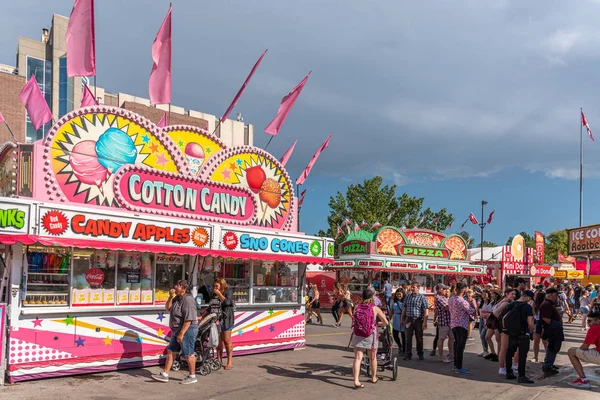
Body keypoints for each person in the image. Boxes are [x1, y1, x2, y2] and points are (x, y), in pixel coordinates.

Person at [152, 280, 199, 384]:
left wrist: (182, 333)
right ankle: (165, 375)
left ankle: (192, 376)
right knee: (171, 351)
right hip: (176, 330)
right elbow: (168, 308)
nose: (175, 286)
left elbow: (188, 320)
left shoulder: (188, 300)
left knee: (188, 353)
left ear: (183, 289)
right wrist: (170, 297)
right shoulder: (177, 298)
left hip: (187, 330)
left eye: (178, 285)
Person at [351, 287, 388, 389]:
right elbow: (386, 322)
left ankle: (356, 380)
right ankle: (374, 377)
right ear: (372, 297)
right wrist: (377, 323)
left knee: (357, 358)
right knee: (373, 357)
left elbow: (354, 319)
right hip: (370, 335)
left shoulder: (357, 307)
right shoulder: (375, 308)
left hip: (358, 333)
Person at [503, 290, 535, 384]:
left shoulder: (512, 304)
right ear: (528, 297)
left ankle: (509, 373)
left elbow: (502, 316)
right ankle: (521, 376)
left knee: (509, 353)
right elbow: (530, 323)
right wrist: (531, 330)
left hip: (512, 333)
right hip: (523, 334)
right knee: (522, 355)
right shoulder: (527, 307)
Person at [567, 311, 600, 389]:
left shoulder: (594, 329)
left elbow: (584, 347)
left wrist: (579, 352)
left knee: (571, 351)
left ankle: (583, 380)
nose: (588, 323)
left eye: (590, 321)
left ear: (598, 321)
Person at [449, 282, 474, 374]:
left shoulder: (451, 299)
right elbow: (472, 311)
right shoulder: (462, 301)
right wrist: (470, 302)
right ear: (464, 290)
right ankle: (459, 367)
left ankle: (456, 365)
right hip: (461, 325)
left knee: (456, 345)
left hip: (453, 324)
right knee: (460, 346)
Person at [401, 281, 429, 360]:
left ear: (418, 288)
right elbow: (404, 308)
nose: (412, 289)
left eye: (414, 287)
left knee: (419, 338)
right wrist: (402, 318)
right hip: (409, 319)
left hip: (418, 320)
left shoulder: (422, 297)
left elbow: (426, 310)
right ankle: (408, 354)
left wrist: (425, 322)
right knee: (408, 337)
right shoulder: (408, 297)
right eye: (411, 287)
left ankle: (420, 353)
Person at [540, 287, 565, 376]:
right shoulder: (546, 304)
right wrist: (556, 324)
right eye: (556, 295)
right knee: (552, 347)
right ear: (550, 295)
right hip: (552, 329)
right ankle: (548, 365)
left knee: (554, 347)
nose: (557, 297)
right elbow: (545, 318)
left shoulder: (550, 304)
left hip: (554, 329)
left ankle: (549, 364)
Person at [212, 278, 235, 370]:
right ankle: (219, 360)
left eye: (216, 286)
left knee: (226, 340)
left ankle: (229, 362)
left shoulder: (228, 292)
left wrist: (219, 294)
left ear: (221, 285)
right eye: (214, 286)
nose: (215, 288)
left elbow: (227, 302)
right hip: (217, 319)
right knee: (218, 341)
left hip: (226, 319)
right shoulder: (214, 294)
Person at [494, 288, 517, 374]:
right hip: (504, 328)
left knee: (505, 348)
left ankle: (505, 367)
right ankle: (502, 368)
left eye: (514, 294)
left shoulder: (506, 302)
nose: (514, 296)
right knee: (504, 348)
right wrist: (504, 321)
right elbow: (496, 313)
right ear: (506, 294)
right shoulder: (505, 303)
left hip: (504, 327)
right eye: (512, 294)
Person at [434, 284, 454, 363]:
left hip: (449, 321)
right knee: (441, 338)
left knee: (452, 338)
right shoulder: (439, 298)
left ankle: (452, 354)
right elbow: (448, 308)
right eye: (444, 289)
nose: (446, 291)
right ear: (439, 290)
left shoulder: (444, 298)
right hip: (443, 321)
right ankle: (441, 356)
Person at [483, 290, 502, 362]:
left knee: (498, 339)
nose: (491, 295)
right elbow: (488, 310)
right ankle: (493, 352)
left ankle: (499, 355)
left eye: (493, 294)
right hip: (491, 321)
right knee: (487, 337)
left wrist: (488, 314)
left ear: (496, 295)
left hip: (496, 321)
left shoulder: (499, 302)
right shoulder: (492, 302)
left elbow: (496, 312)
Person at [531, 290, 547, 363]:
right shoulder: (535, 304)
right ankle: (536, 357)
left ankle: (544, 357)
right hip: (538, 322)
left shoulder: (545, 304)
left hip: (541, 322)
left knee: (542, 341)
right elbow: (533, 315)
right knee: (538, 341)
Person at [389, 288, 406, 355]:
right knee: (395, 334)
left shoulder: (405, 301)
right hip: (395, 318)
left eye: (400, 294)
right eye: (397, 294)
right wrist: (389, 319)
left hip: (403, 318)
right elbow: (392, 311)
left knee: (403, 335)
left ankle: (404, 350)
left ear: (403, 294)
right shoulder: (393, 301)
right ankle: (400, 346)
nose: (398, 295)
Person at [478, 291, 491, 358]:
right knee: (481, 336)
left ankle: (486, 351)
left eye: (485, 295)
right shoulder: (482, 303)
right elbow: (480, 310)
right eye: (483, 295)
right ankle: (484, 350)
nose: (484, 297)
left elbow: (491, 312)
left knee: (483, 336)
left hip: (487, 321)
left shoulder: (490, 303)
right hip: (481, 320)